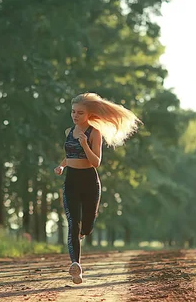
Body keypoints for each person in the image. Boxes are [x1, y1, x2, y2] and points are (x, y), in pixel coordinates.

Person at [54, 92, 141, 284]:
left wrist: (85, 144)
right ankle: (75, 265)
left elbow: (96, 162)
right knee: (72, 223)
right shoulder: (68, 132)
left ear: (89, 114)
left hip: (89, 182)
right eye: (73, 112)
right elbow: (69, 155)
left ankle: (83, 233)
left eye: (80, 113)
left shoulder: (94, 133)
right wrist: (62, 165)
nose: (75, 116)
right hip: (71, 182)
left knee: (87, 226)